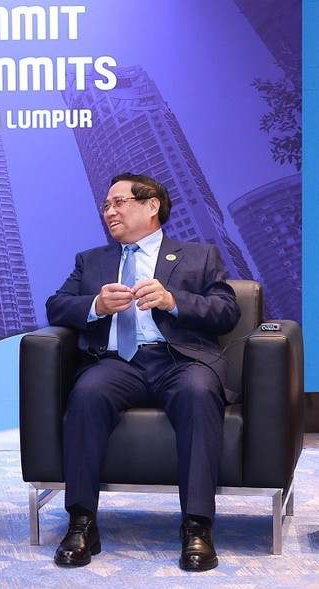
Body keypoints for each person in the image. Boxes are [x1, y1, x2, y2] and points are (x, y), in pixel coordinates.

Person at [46, 173, 240, 571]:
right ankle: (82, 523)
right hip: (118, 363)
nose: (109, 212)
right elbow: (56, 306)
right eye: (105, 206)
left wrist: (173, 300)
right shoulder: (92, 260)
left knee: (198, 392)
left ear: (152, 205)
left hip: (181, 361)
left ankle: (197, 525)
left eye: (119, 203)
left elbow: (227, 311)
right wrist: (95, 306)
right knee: (87, 393)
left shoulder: (199, 255)